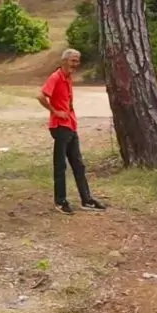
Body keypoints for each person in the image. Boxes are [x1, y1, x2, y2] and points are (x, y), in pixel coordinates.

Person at [37, 48, 105, 216]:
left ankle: (86, 199)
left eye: (77, 61)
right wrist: (54, 111)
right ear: (64, 61)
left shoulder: (68, 78)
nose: (76, 64)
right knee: (60, 165)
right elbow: (40, 96)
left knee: (78, 164)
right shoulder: (56, 77)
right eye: (73, 60)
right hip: (60, 126)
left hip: (70, 125)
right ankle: (60, 201)